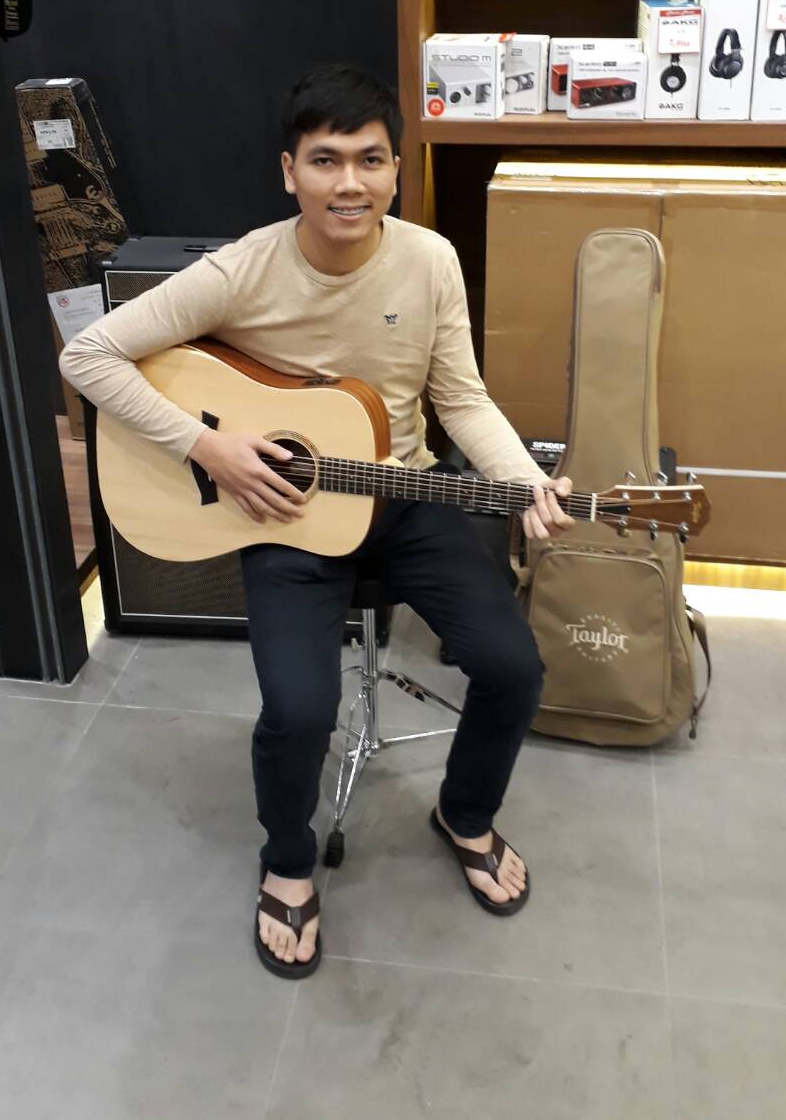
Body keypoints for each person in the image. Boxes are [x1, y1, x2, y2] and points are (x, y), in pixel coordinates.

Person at [59, 64, 574, 979]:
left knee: (514, 668)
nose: (349, 182)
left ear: (397, 171)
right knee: (298, 711)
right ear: (288, 171)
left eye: (370, 159)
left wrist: (522, 480)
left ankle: (463, 812)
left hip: (406, 499)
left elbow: (461, 397)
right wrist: (207, 447)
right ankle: (288, 859)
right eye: (326, 160)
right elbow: (88, 354)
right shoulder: (243, 268)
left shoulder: (431, 261)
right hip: (285, 515)